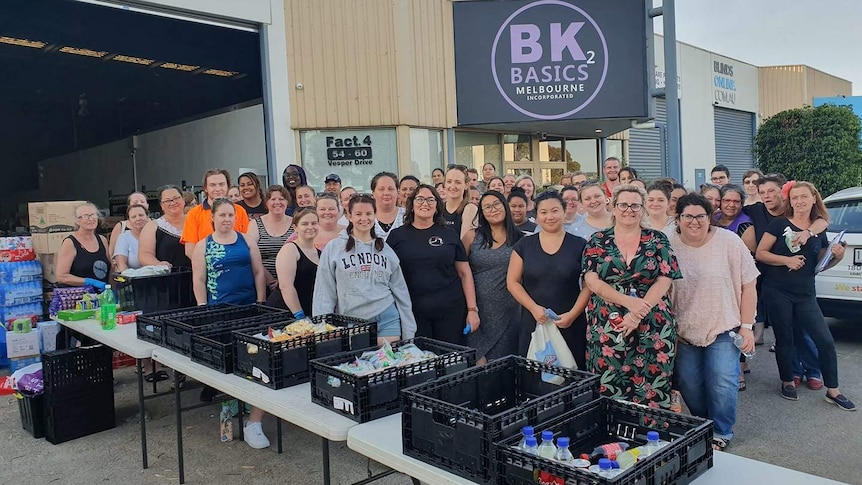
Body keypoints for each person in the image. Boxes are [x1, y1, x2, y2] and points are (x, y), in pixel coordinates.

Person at [670, 193, 759, 449]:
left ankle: (721, 431)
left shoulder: (729, 242)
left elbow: (749, 285)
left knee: (722, 380)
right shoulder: (667, 243)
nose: (695, 221)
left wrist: (747, 326)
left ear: (710, 217)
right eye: (688, 216)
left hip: (723, 326)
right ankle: (703, 423)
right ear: (678, 218)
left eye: (701, 216)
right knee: (689, 383)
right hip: (684, 330)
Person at [755, 181, 854, 410]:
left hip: (806, 293)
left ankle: (833, 390)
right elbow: (761, 253)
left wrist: (836, 256)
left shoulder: (819, 228)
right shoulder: (779, 224)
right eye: (795, 197)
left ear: (813, 199)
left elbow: (820, 263)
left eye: (803, 197)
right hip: (777, 290)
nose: (799, 201)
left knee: (826, 341)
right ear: (789, 201)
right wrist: (786, 260)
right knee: (785, 338)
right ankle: (787, 381)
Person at [583, 184, 682, 409]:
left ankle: (651, 438)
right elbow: (592, 281)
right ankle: (611, 438)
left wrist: (638, 313)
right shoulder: (597, 240)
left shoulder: (658, 239)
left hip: (653, 322)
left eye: (635, 205)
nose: (629, 210)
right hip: (608, 322)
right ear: (614, 208)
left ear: (643, 209)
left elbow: (665, 278)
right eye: (624, 204)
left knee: (653, 384)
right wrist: (630, 304)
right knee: (609, 382)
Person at [190, 198, 269, 448]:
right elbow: (199, 280)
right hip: (219, 312)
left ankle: (251, 413)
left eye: (230, 215)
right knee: (227, 362)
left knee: (252, 359)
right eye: (222, 215)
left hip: (248, 308)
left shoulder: (246, 240)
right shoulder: (203, 245)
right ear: (212, 217)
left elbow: (258, 272)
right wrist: (203, 309)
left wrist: (261, 301)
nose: (226, 219)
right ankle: (232, 405)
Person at [745, 174, 827, 373]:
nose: (766, 196)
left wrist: (809, 232)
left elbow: (821, 221)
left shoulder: (797, 213)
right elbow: (727, 210)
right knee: (784, 332)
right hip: (766, 280)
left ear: (783, 193)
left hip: (797, 282)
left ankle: (812, 370)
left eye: (771, 191)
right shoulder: (755, 211)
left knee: (802, 330)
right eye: (762, 192)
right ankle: (792, 374)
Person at [314, 193, 416, 344]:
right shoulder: (334, 248)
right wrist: (322, 329)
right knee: (360, 365)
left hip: (387, 317)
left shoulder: (385, 249)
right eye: (358, 214)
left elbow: (401, 292)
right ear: (349, 216)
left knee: (387, 364)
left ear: (375, 215)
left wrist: (409, 331)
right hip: (352, 320)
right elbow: (324, 291)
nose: (364, 218)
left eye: (369, 213)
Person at [507, 191, 591, 369]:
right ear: (536, 216)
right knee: (535, 377)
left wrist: (573, 314)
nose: (549, 217)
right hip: (534, 321)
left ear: (564, 211)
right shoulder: (524, 245)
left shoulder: (580, 245)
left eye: (554, 211)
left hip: (570, 321)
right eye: (543, 212)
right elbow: (513, 282)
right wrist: (534, 308)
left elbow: (588, 286)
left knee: (572, 377)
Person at [388, 185, 480, 344]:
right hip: (412, 312)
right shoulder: (397, 236)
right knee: (421, 363)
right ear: (412, 205)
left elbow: (464, 273)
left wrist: (472, 310)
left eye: (431, 199)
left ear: (437, 206)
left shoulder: (449, 234)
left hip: (451, 311)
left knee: (452, 362)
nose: (425, 203)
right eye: (420, 199)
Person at [462, 191, 523, 363]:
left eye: (496, 204)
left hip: (510, 313)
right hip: (477, 313)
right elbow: (460, 271)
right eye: (487, 207)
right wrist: (470, 309)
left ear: (505, 205)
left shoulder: (521, 239)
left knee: (505, 367)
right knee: (479, 366)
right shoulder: (471, 236)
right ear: (482, 212)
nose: (493, 209)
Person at [181, 169, 250, 260]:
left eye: (221, 184)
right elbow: (190, 250)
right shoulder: (194, 214)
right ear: (205, 188)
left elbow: (248, 243)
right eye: (213, 185)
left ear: (228, 186)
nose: (218, 189)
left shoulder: (240, 211)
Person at [267, 208, 320, 314]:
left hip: (308, 309)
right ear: (295, 227)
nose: (310, 227)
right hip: (284, 311)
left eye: (314, 223)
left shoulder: (320, 253)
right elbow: (285, 286)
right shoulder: (290, 249)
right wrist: (298, 314)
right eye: (305, 224)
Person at [246, 186, 294, 295]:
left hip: (291, 282)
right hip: (262, 283)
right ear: (267, 203)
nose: (277, 202)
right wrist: (269, 280)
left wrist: (283, 281)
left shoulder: (295, 223)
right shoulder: (255, 224)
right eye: (273, 199)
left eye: (281, 199)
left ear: (287, 202)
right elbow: (250, 254)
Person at [56, 202, 111, 288]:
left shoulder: (102, 240)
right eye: (85, 216)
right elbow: (61, 277)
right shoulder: (70, 243)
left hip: (102, 296)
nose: (91, 219)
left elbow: (111, 266)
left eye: (93, 215)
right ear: (77, 221)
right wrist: (88, 282)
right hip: (79, 297)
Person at [139, 185, 191, 269]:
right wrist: (158, 264)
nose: (173, 203)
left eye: (176, 198)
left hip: (198, 275)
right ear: (161, 205)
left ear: (183, 200)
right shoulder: (152, 226)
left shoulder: (195, 221)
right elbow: (145, 254)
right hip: (167, 277)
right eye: (167, 201)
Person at [441, 165, 479, 239]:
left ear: (466, 185)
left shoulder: (470, 209)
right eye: (449, 182)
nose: (452, 186)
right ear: (444, 184)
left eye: (457, 182)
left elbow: (464, 243)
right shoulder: (438, 209)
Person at [109, 192, 149, 258]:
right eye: (135, 202)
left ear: (147, 205)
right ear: (129, 206)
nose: (139, 204)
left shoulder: (155, 224)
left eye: (142, 201)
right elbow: (111, 251)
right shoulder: (121, 226)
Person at [113, 204, 149, 272]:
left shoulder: (157, 234)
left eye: (141, 215)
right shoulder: (124, 237)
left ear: (147, 217)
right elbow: (121, 264)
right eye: (133, 217)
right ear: (129, 220)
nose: (138, 219)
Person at [371, 172, 405, 239]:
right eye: (381, 189)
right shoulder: (366, 217)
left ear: (397, 192)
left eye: (391, 189)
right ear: (373, 193)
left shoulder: (407, 216)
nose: (386, 193)